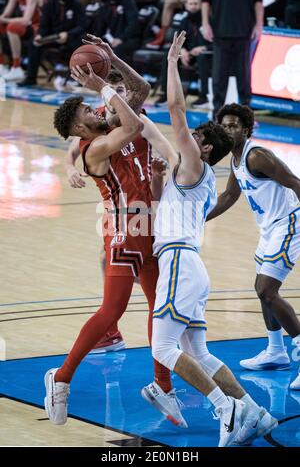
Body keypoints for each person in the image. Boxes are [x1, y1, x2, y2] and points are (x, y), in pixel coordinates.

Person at [44, 40, 188, 428]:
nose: (95, 109)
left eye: (93, 105)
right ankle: (60, 379)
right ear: (78, 127)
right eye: (87, 110)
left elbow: (140, 91)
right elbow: (135, 125)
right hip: (125, 231)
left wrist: (112, 60)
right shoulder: (95, 148)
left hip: (151, 227)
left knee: (162, 311)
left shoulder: (111, 121)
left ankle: (162, 385)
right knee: (113, 310)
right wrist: (101, 88)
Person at [146, 31, 277, 447]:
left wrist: (170, 63)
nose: (188, 138)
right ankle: (256, 413)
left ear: (203, 147)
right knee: (199, 354)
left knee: (163, 349)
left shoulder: (195, 166)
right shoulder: (189, 176)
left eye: (196, 138)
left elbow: (174, 110)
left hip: (180, 264)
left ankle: (226, 409)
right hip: (192, 268)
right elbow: (151, 131)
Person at [65, 68, 171, 356]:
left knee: (160, 304)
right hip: (127, 223)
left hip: (149, 217)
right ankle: (66, 373)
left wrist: (111, 57)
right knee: (116, 299)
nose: (116, 97)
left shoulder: (121, 119)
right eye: (114, 91)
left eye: (121, 91)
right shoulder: (104, 131)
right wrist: (68, 167)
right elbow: (76, 146)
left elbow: (143, 91)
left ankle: (162, 377)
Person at [207, 103, 300, 391]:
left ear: (246, 130)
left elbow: (296, 182)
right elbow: (230, 196)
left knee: (266, 289)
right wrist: (197, 219)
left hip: (289, 224)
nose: (228, 129)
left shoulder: (257, 156)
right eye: (224, 125)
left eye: (234, 125)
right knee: (262, 291)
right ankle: (275, 351)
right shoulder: (236, 159)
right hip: (269, 229)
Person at [201, 0, 264, 119]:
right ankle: (217, 115)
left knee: (244, 77)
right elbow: (205, 1)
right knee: (219, 76)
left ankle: (247, 116)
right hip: (220, 29)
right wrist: (205, 23)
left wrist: (259, 24)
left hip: (244, 29)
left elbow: (258, 2)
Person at [154, 0, 212, 109]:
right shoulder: (185, 20)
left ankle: (204, 97)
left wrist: (203, 47)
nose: (193, 6)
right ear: (186, 5)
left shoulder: (209, 20)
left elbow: (218, 43)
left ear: (202, 5)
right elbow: (178, 39)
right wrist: (182, 50)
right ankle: (167, 95)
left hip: (205, 53)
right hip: (188, 53)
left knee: (202, 58)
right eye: (191, 4)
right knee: (169, 55)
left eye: (196, 3)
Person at [19, 0, 86, 87]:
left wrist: (68, 34)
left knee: (78, 43)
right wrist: (40, 35)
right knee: (33, 43)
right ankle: (31, 78)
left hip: (70, 37)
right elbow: (44, 25)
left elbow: (82, 26)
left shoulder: (77, 5)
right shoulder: (49, 4)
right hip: (53, 38)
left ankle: (79, 78)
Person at [0, 0, 43, 80]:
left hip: (38, 27)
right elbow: (5, 15)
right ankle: (1, 65)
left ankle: (17, 67)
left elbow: (26, 20)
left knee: (12, 27)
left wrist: (4, 20)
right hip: (27, 26)